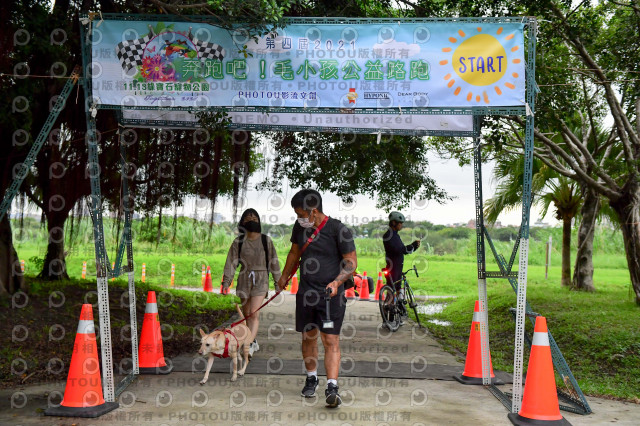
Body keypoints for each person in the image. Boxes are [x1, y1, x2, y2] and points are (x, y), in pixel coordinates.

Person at [276, 189, 356, 408]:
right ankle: (311, 378)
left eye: (301, 214)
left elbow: (351, 262)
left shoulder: (339, 230)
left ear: (313, 212)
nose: (298, 218)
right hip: (306, 293)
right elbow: (294, 253)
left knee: (330, 340)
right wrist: (284, 276)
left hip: (331, 296)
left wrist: (337, 282)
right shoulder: (299, 228)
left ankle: (332, 387)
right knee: (308, 337)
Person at [222, 208, 281, 357]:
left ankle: (247, 344)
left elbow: (274, 262)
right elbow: (231, 263)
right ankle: (252, 341)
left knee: (254, 312)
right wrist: (226, 282)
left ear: (259, 222)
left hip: (261, 278)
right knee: (247, 313)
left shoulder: (266, 240)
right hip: (244, 278)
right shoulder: (238, 242)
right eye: (248, 218)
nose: (251, 220)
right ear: (242, 222)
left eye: (254, 218)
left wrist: (278, 282)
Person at [382, 211, 421, 324]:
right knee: (391, 292)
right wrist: (413, 246)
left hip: (396, 266)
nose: (401, 225)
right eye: (400, 223)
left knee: (395, 290)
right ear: (394, 222)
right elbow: (401, 250)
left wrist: (413, 247)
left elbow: (402, 250)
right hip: (393, 267)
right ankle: (388, 319)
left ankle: (391, 318)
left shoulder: (394, 235)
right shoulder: (390, 235)